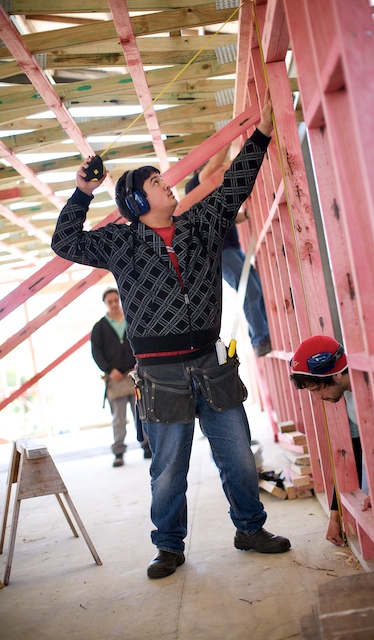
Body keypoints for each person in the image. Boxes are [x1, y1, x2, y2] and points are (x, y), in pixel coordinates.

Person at [52, 91, 291, 580]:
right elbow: (65, 241)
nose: (169, 186)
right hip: (159, 375)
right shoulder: (120, 242)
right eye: (159, 183)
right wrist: (83, 190)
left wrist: (262, 132)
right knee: (167, 471)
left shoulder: (200, 224)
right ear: (138, 200)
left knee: (239, 458)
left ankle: (250, 528)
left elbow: (237, 184)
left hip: (210, 361)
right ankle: (168, 547)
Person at [185, 146, 272, 357]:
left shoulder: (212, 197)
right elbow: (214, 165)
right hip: (220, 252)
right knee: (249, 289)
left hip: (231, 248)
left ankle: (264, 334)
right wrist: (227, 137)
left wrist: (249, 214)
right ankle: (260, 340)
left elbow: (233, 219)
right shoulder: (193, 187)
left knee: (255, 287)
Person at [289, 335, 370, 546]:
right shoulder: (348, 399)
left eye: (316, 390)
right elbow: (353, 454)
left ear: (334, 376)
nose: (317, 399)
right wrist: (336, 515)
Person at [91, 287, 151, 467]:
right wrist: (109, 370)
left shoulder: (131, 320)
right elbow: (96, 352)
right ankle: (119, 452)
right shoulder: (99, 327)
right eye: (110, 302)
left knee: (141, 413)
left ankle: (147, 446)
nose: (114, 304)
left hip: (134, 375)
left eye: (116, 300)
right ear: (105, 304)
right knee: (118, 418)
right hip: (114, 378)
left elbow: (142, 342)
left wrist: (139, 363)